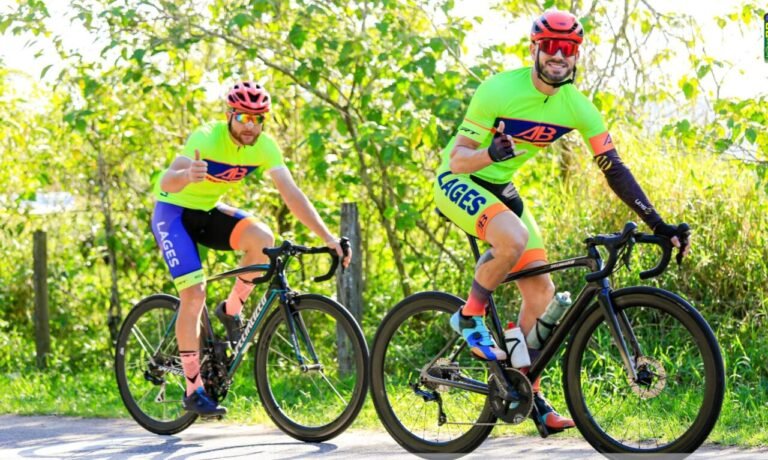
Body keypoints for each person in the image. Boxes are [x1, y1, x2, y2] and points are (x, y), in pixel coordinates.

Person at [433, 10, 690, 433]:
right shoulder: (498, 90)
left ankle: (525, 393)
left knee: (541, 293)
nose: (558, 55)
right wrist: (491, 155)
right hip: (458, 179)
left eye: (567, 48)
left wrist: (660, 224)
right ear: (534, 48)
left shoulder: (576, 107)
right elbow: (459, 159)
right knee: (512, 239)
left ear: (576, 55)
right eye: (550, 46)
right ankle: (468, 316)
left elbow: (614, 167)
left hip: (501, 189)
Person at [151, 81, 351, 416]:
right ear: (229, 115)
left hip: (208, 211)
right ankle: (193, 389)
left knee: (263, 239)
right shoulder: (206, 136)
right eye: (243, 117)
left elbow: (292, 194)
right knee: (194, 295)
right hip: (173, 215)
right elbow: (165, 182)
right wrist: (189, 174)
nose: (250, 126)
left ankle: (230, 311)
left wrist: (328, 237)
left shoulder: (264, 146)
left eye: (258, 119)